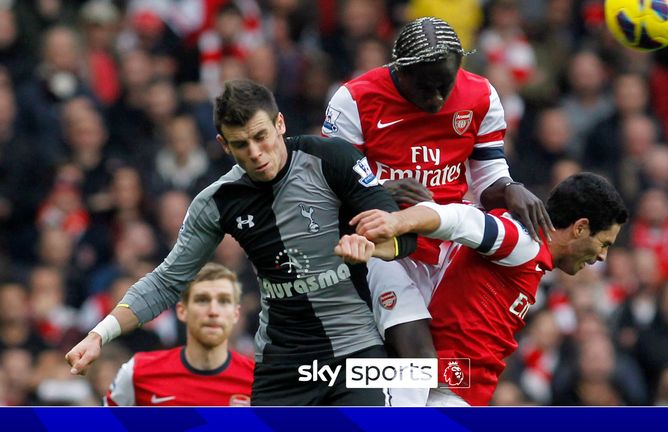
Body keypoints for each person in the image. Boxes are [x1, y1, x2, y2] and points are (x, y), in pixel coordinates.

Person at [66, 79, 417, 406]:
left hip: (355, 351)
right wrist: (99, 334)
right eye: (240, 144)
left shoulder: (331, 159)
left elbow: (405, 235)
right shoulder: (218, 201)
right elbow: (167, 280)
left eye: (261, 136)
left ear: (280, 123)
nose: (255, 153)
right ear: (224, 144)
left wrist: (374, 246)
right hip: (282, 365)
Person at [322, 16, 553, 405]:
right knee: (420, 361)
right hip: (382, 243)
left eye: (444, 86)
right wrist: (377, 191)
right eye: (425, 87)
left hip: (449, 243)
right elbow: (326, 191)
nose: (436, 99)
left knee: (445, 372)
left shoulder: (481, 96)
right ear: (401, 69)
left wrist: (512, 190)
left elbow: (488, 179)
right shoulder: (355, 100)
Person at [338, 172, 629, 406]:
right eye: (603, 243)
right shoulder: (522, 241)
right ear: (579, 228)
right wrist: (396, 221)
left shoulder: (531, 253)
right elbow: (460, 220)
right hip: (442, 386)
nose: (602, 256)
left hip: (446, 382)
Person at [105, 263, 254, 406]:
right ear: (182, 311)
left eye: (224, 301)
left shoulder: (259, 380)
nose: (213, 311)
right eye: (202, 300)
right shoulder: (137, 372)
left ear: (236, 314)